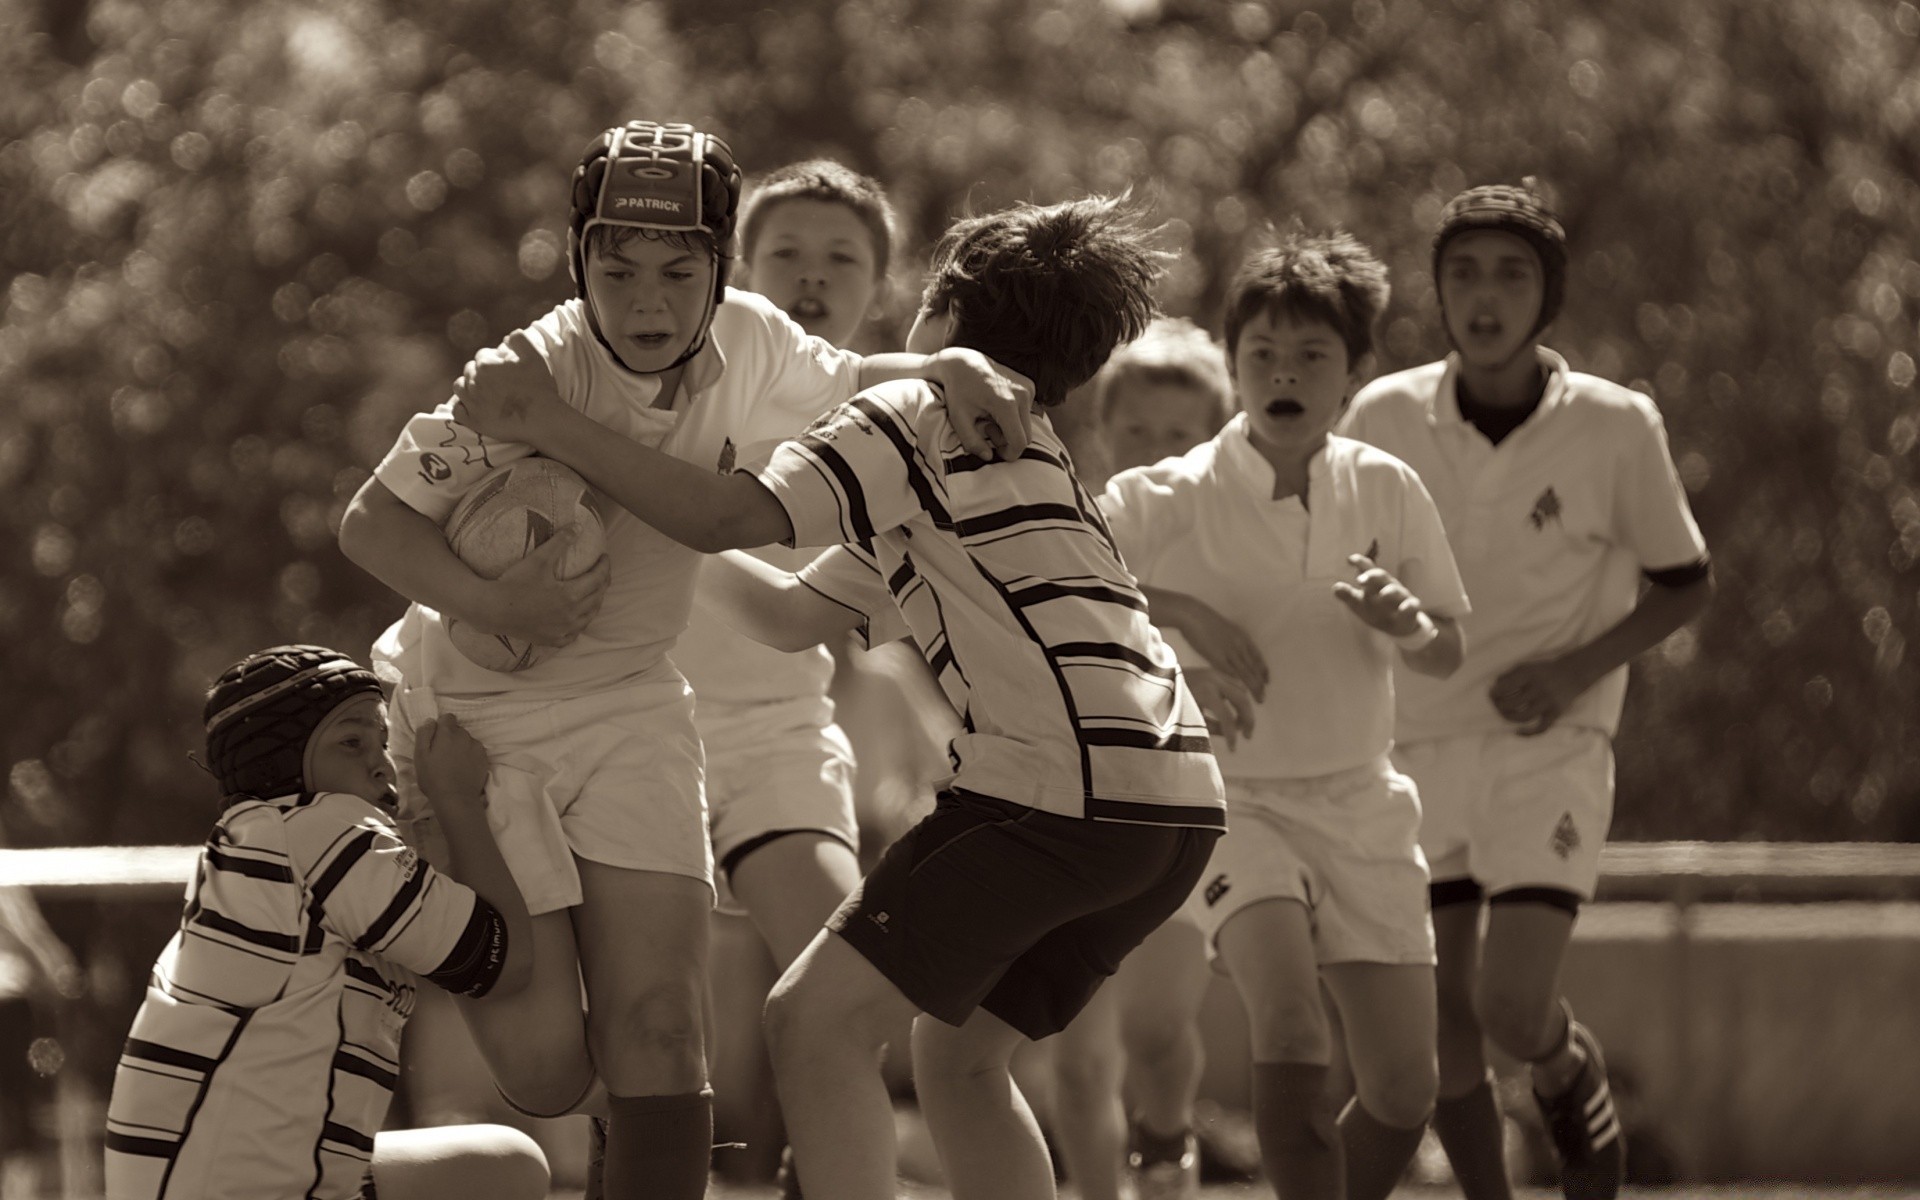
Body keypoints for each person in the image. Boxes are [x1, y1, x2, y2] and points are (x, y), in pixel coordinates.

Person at [451, 194, 1227, 1200]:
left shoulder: (914, 417)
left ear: (943, 316)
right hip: (1171, 804)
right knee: (959, 1062)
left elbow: (734, 513)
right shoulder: (1024, 452)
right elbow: (783, 615)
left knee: (808, 1025)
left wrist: (554, 425)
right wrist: (641, 518)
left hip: (1055, 793)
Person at [336, 119, 1027, 1200]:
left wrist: (945, 365)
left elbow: (853, 374)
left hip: (636, 709)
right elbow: (371, 525)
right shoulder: (527, 371)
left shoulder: (752, 340)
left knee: (662, 1031)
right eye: (617, 273)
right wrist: (492, 598)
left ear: (717, 268)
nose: (646, 304)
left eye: (677, 271)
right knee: (551, 1072)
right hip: (472, 725)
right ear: (579, 263)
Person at [1341, 181, 1714, 1200]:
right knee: (1444, 1018)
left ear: (1547, 298)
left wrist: (1572, 672)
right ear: (1438, 292)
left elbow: (1686, 584)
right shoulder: (1382, 414)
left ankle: (1567, 1079)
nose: (1484, 295)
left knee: (1509, 1006)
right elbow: (1344, 565)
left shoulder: (1615, 424)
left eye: (1511, 273)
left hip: (1552, 747)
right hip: (1417, 746)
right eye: (1462, 272)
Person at [1101, 229, 1468, 1200]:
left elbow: (1448, 650)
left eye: (1312, 355)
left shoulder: (1389, 489)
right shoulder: (1167, 493)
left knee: (1402, 1087)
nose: (1284, 373)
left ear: (1356, 374)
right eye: (1261, 353)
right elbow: (1054, 577)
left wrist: (1412, 624)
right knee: (1292, 1024)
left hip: (1363, 802)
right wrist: (1181, 613)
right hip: (1229, 804)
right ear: (1234, 364)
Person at [102, 645, 548, 1200]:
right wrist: (458, 798)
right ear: (284, 761)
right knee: (512, 1167)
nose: (383, 764)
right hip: (242, 1187)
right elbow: (507, 964)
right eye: (351, 742)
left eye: (382, 743)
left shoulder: (256, 843)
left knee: (502, 1165)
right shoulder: (328, 830)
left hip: (197, 1179)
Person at [681, 158, 903, 1193]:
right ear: (735, 270)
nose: (811, 275)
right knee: (643, 1030)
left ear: (879, 288)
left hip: (777, 735)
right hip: (627, 728)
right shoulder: (664, 371)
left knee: (850, 988)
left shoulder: (894, 426)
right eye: (785, 254)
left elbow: (851, 612)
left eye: (841, 257)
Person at [1044, 317, 1238, 1200]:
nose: (1156, 452)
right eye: (1137, 432)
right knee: (1082, 1063)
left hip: (1189, 823)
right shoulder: (1059, 524)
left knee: (1159, 1034)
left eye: (1181, 436)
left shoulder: (1244, 544)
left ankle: (1166, 1143)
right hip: (1073, 813)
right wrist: (1182, 614)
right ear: (1100, 431)